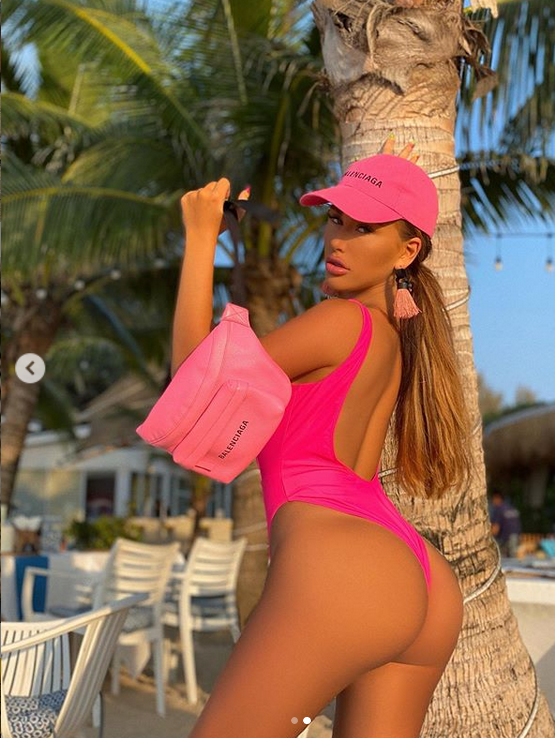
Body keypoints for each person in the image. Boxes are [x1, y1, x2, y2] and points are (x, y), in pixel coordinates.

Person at [172, 137, 472, 738]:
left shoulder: (341, 322)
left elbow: (192, 387)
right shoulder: (389, 337)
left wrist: (202, 238)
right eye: (336, 218)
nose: (338, 240)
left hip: (341, 572)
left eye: (364, 228)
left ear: (407, 250)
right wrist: (386, 181)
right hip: (419, 579)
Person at [489, 490, 522, 557]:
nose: (492, 502)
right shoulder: (511, 508)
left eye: (492, 499)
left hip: (507, 540)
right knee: (514, 558)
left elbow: (495, 529)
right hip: (517, 537)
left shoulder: (498, 509)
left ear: (496, 498)